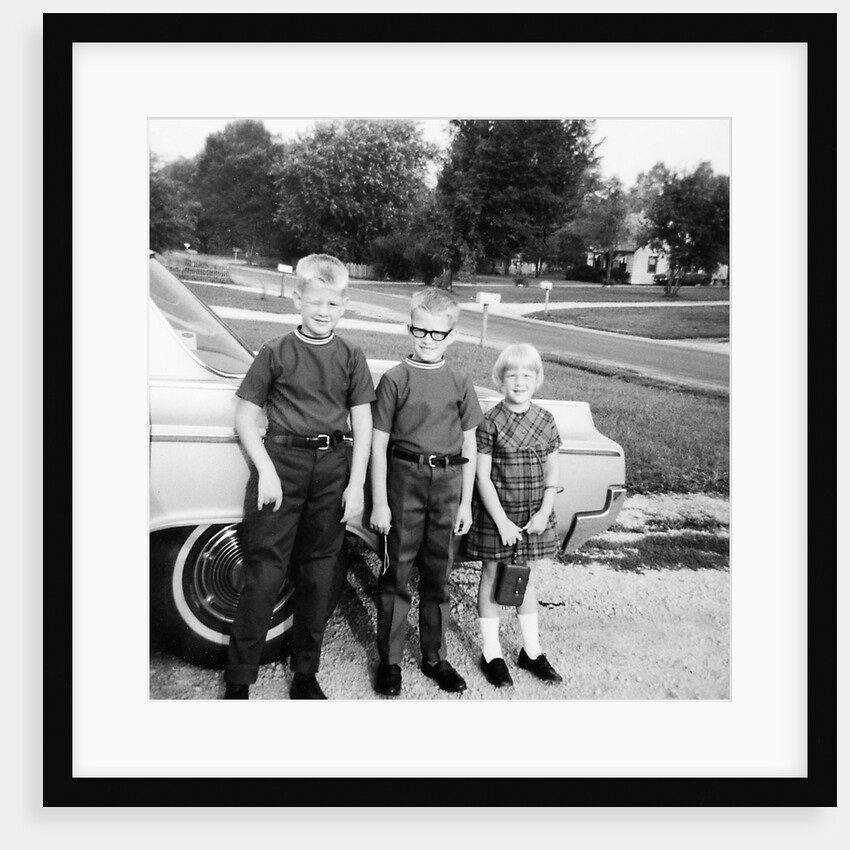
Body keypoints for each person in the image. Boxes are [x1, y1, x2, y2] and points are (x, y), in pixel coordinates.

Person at [223, 254, 375, 700]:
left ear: (344, 305)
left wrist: (356, 483)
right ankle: (239, 681)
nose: (323, 312)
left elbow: (362, 423)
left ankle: (305, 674)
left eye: (333, 304)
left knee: (319, 574)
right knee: (264, 574)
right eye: (315, 302)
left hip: (332, 469)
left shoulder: (350, 355)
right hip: (282, 466)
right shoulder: (275, 351)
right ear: (298, 299)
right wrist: (265, 471)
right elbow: (246, 419)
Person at [369, 287, 482, 697]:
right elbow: (378, 445)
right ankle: (391, 660)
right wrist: (380, 501)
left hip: (448, 483)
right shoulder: (395, 380)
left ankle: (435, 657)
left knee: (438, 575)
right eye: (420, 330)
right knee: (396, 573)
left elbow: (470, 444)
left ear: (451, 336)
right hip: (404, 481)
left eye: (437, 333)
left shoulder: (459, 381)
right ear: (409, 328)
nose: (427, 339)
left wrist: (465, 502)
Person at [466, 343, 564, 687]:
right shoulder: (490, 422)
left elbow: (553, 470)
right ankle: (492, 652)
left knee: (527, 578)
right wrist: (502, 522)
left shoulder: (546, 419)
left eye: (527, 375)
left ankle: (532, 651)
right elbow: (482, 477)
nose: (519, 382)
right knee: (492, 576)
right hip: (499, 515)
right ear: (499, 379)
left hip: (533, 515)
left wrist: (544, 512)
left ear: (537, 379)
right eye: (512, 376)